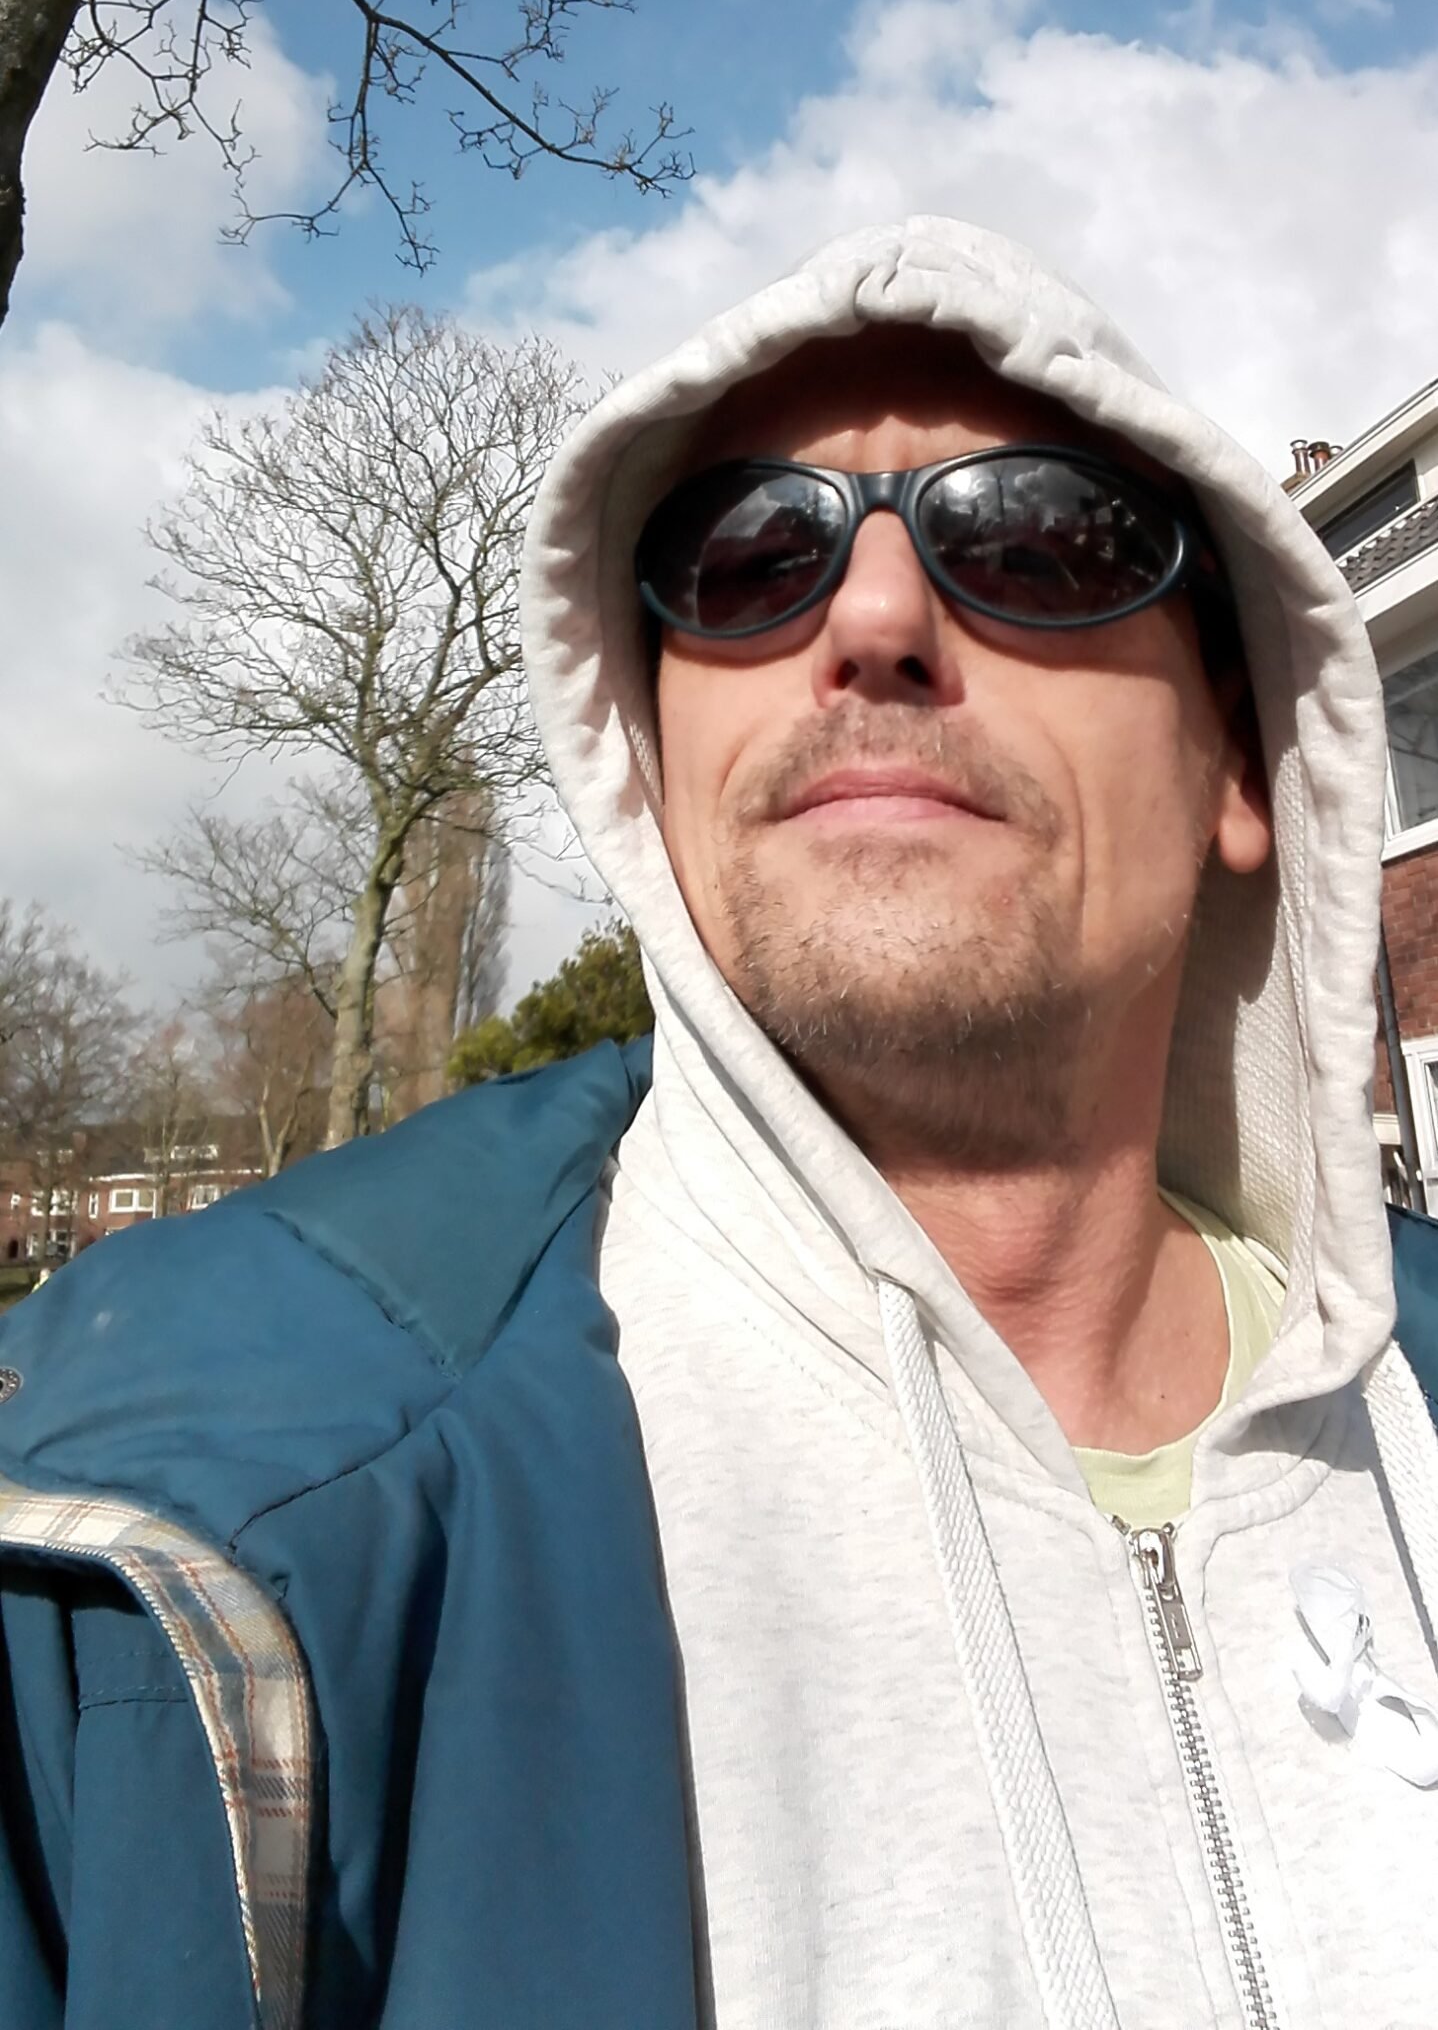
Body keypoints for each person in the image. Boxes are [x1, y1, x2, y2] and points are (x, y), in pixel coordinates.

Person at [3, 214, 1438, 2030]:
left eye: (1038, 541)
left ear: (1243, 764)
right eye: (747, 556)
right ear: (646, 754)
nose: (874, 621)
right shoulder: (168, 1556)